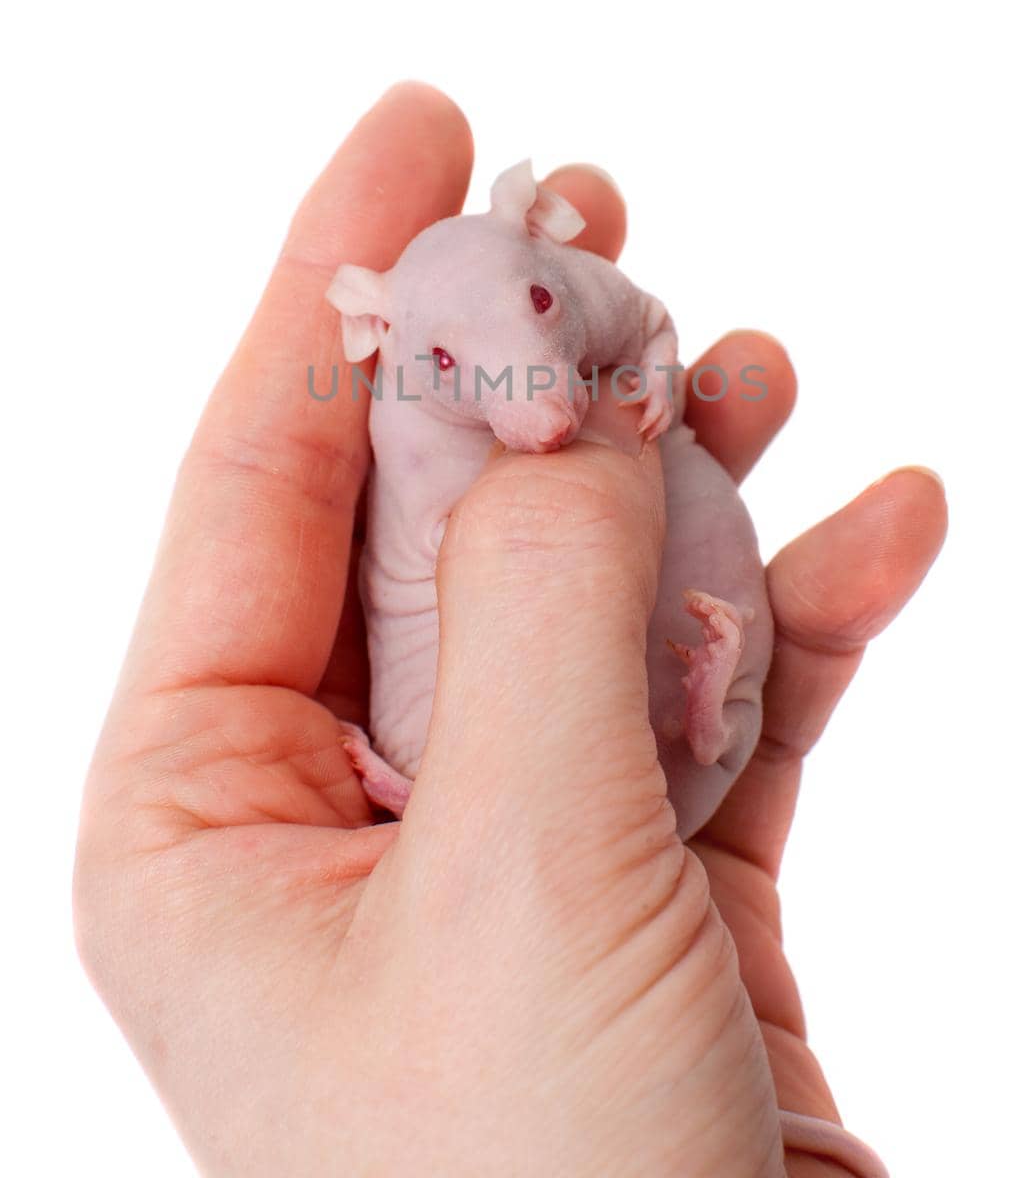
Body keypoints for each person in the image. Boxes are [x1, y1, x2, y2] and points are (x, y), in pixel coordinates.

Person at [74, 83, 946, 1176]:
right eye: (449, 364)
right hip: (517, 730)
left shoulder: (573, 282)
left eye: (536, 307)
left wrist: (659, 379)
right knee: (443, 711)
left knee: (728, 683)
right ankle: (444, 784)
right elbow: (450, 523)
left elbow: (650, 328)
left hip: (675, 722)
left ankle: (696, 718)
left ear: (545, 268)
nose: (543, 414)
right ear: (389, 340)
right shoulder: (400, 414)